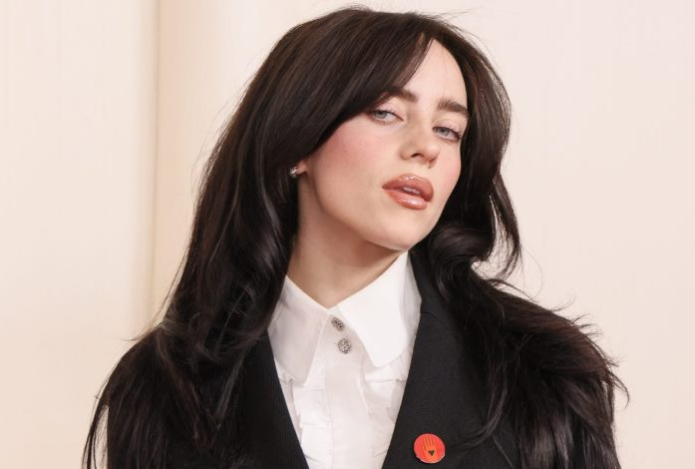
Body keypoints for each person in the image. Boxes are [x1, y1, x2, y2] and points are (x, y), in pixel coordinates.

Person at [83, 6, 624, 469]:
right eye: (386, 112)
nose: (426, 147)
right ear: (298, 139)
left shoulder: (545, 375)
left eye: (448, 130)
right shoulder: (163, 390)